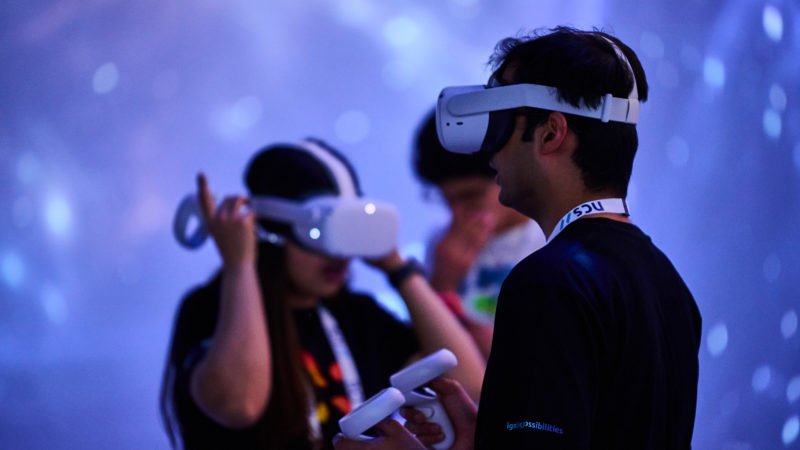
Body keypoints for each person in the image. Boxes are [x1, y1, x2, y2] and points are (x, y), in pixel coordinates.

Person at [334, 26, 701, 449]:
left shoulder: (548, 282)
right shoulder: (669, 284)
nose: (490, 150)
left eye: (501, 122)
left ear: (551, 133)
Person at [160, 139, 485, 450]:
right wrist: (240, 265)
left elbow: (469, 388)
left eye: (348, 233)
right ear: (270, 233)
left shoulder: (355, 315)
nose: (340, 255)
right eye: (320, 234)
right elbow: (239, 405)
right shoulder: (211, 309)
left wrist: (398, 268)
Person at [413, 109, 545, 357]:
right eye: (447, 200)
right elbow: (425, 350)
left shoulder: (550, 238)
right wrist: (443, 281)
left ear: (507, 170)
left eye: (470, 196)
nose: (457, 214)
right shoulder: (442, 245)